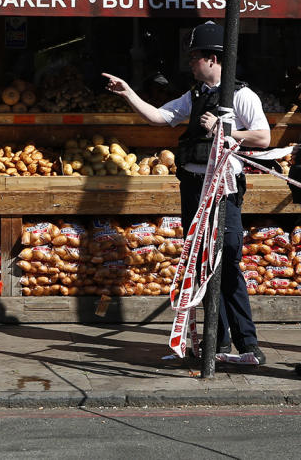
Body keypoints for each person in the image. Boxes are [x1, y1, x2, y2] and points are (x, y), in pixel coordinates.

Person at [102, 21, 269, 364]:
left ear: (212, 58)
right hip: (194, 188)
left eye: (195, 57)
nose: (190, 63)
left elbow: (263, 138)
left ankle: (249, 346)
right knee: (203, 265)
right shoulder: (194, 95)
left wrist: (227, 130)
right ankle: (217, 345)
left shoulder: (242, 95)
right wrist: (129, 92)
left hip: (222, 190)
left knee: (229, 264)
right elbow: (160, 118)